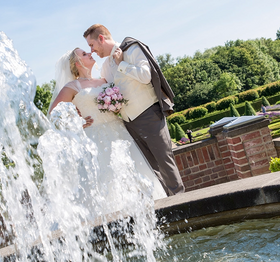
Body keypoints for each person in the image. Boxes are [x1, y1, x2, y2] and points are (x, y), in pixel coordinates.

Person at [48, 48, 167, 208]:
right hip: (94, 137)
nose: (90, 53)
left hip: (119, 132)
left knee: (134, 172)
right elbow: (53, 115)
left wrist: (117, 106)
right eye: (84, 54)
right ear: (78, 63)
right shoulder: (72, 86)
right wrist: (77, 122)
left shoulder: (103, 81)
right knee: (106, 179)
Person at [84, 24, 185, 196]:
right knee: (151, 169)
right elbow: (103, 93)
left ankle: (184, 205)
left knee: (165, 163)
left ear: (101, 39)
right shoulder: (105, 68)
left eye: (92, 45)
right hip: (128, 124)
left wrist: (122, 64)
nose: (92, 51)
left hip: (149, 115)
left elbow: (146, 76)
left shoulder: (132, 48)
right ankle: (169, 210)